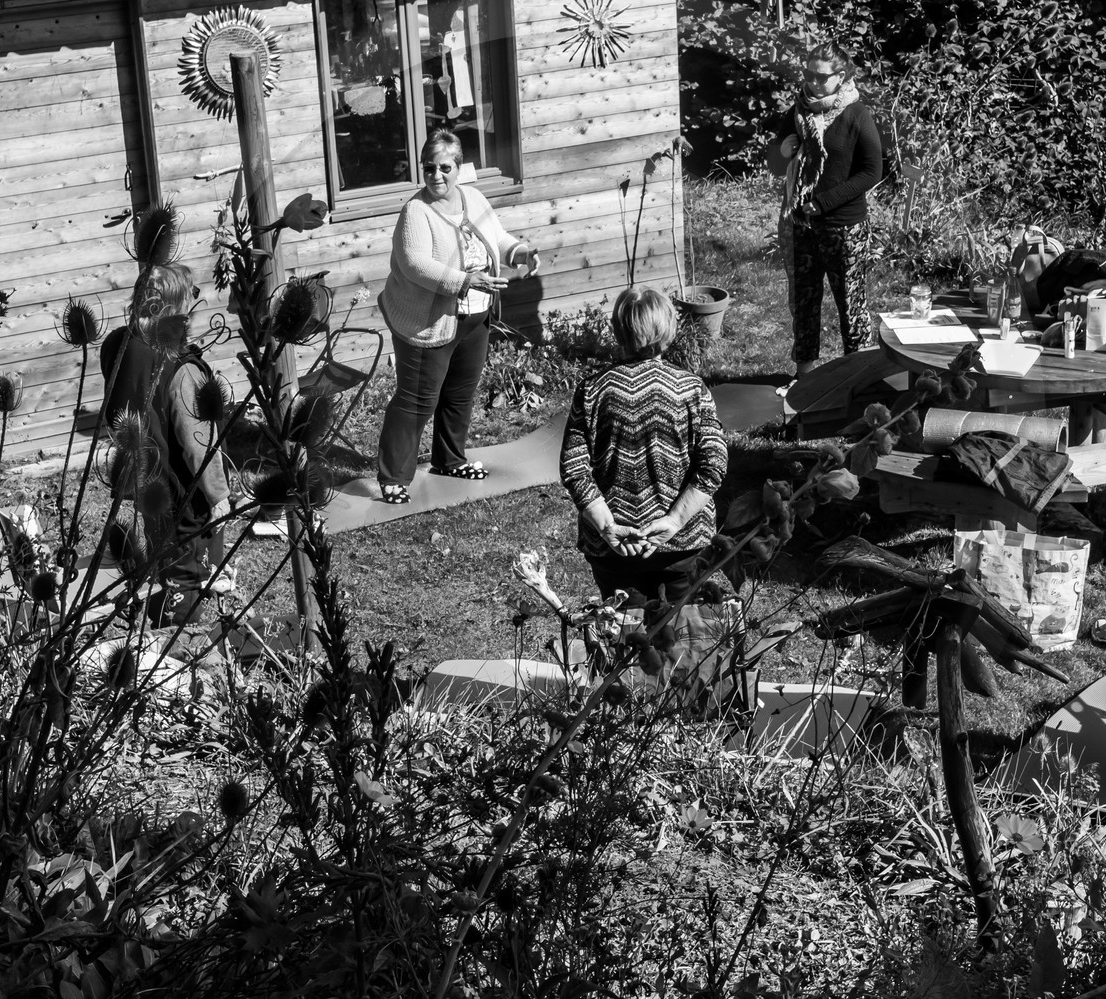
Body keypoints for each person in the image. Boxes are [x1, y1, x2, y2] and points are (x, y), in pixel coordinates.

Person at [376, 131, 540, 504]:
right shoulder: (415, 212)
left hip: (474, 317)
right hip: (426, 321)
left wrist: (521, 252)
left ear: (458, 167)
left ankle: (449, 460)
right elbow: (415, 264)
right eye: (429, 168)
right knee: (417, 399)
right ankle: (393, 477)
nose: (436, 176)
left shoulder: (474, 197)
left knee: (459, 394)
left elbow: (496, 237)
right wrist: (465, 280)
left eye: (444, 168)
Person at [560, 286, 728, 624]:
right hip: (681, 544)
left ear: (618, 330)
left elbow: (574, 468)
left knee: (622, 640)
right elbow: (714, 463)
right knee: (682, 638)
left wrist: (609, 527)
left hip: (614, 550)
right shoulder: (691, 389)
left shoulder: (593, 390)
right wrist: (675, 521)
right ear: (667, 332)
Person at [100, 262, 232, 605]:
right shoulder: (181, 368)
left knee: (162, 550)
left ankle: (164, 608)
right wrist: (218, 495)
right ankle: (182, 633)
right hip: (182, 487)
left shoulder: (120, 345)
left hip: (146, 477)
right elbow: (197, 442)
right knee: (185, 571)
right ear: (178, 305)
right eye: (194, 295)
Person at [766, 47, 883, 377]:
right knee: (803, 303)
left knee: (851, 305)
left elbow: (872, 171)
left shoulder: (856, 114)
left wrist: (825, 202)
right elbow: (775, 165)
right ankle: (804, 380)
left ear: (841, 77)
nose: (814, 83)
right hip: (799, 223)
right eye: (809, 75)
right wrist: (783, 152)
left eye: (822, 76)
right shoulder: (796, 113)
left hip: (843, 228)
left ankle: (857, 380)